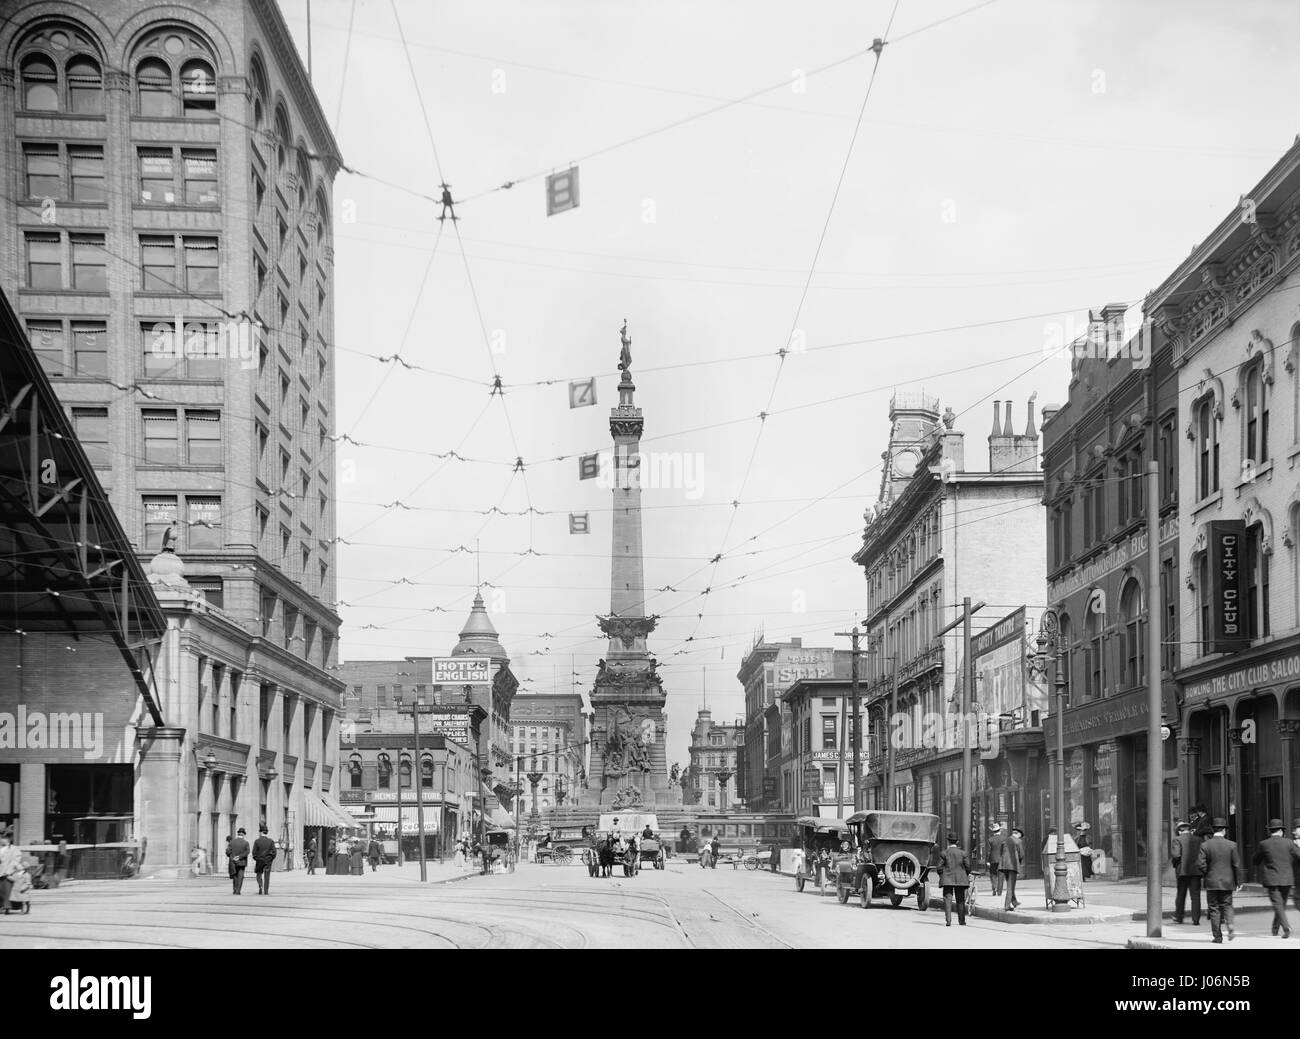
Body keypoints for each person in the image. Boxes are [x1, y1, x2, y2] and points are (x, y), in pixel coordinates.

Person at [1252, 819, 1300, 938]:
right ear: (1282, 831)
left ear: (1270, 831)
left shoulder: (1264, 844)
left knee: (1278, 904)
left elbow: (1255, 860)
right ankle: (1274, 929)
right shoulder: (1289, 843)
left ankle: (1286, 927)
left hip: (1272, 879)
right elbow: (1298, 856)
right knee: (1281, 904)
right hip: (1287, 879)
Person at [1197, 817, 1242, 944]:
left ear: (1213, 830)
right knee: (1227, 905)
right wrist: (1239, 882)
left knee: (1214, 908)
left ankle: (1217, 936)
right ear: (1224, 830)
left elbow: (1200, 864)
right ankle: (1230, 925)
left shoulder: (1205, 845)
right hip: (1227, 881)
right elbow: (1236, 864)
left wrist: (1207, 873)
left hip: (1212, 881)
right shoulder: (1232, 845)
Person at [1170, 821, 1203, 926]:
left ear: (1179, 831)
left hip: (1182, 872)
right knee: (1196, 895)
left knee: (1181, 894)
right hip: (1196, 871)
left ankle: (1179, 917)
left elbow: (1176, 855)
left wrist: (1175, 865)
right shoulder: (1198, 839)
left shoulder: (1177, 840)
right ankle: (1196, 919)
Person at [938, 832, 970, 926]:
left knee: (947, 899)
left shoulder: (944, 853)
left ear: (948, 841)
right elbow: (968, 867)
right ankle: (961, 921)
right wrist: (965, 875)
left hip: (947, 879)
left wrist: (942, 875)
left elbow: (939, 867)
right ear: (958, 841)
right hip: (961, 879)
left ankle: (948, 921)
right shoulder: (963, 853)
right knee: (960, 900)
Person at [999, 826, 1024, 911]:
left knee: (1010, 884)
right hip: (1013, 866)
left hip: (1003, 866)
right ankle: (1007, 906)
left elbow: (1001, 852)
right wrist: (1018, 863)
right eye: (1020, 836)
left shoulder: (1005, 840)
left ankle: (1014, 902)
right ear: (1018, 834)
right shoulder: (1018, 841)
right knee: (1011, 886)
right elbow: (1021, 855)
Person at [252, 825, 277, 895]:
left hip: (259, 860)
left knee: (258, 874)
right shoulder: (271, 841)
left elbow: (254, 853)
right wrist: (271, 859)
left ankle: (260, 886)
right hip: (268, 861)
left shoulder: (257, 841)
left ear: (260, 832)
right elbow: (274, 852)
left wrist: (256, 859)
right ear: (266, 832)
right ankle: (266, 890)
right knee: (267, 876)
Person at [0, 831, 21, 913]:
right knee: (1, 890)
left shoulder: (14, 849)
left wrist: (9, 871)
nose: (2, 840)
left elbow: (15, 861)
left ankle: (7, 907)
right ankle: (2, 905)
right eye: (2, 838)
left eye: (4, 838)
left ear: (8, 840)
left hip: (8, 873)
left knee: (7, 891)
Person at [228, 828, 251, 896]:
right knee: (240, 876)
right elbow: (247, 852)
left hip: (233, 861)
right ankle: (238, 890)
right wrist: (239, 857)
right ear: (243, 834)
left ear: (238, 833)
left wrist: (232, 856)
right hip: (242, 862)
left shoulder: (232, 842)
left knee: (235, 875)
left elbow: (228, 851)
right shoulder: (246, 843)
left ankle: (235, 889)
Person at [986, 823, 1005, 898]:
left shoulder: (990, 840)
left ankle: (994, 887)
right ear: (1000, 830)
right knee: (1001, 875)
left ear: (993, 832)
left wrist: (988, 861)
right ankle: (999, 891)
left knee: (993, 874)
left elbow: (988, 851)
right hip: (1002, 859)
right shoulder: (1004, 838)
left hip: (993, 859)